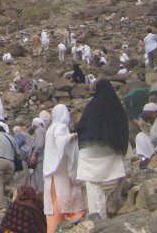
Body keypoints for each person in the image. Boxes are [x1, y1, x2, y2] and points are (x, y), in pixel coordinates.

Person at [75, 80, 128, 220]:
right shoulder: (116, 106)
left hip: (89, 152)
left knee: (92, 184)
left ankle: (96, 218)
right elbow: (123, 128)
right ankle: (108, 213)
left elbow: (80, 126)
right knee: (109, 183)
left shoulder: (92, 106)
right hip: (111, 151)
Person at [42, 105, 84, 233]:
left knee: (53, 201)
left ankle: (52, 228)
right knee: (64, 197)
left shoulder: (50, 128)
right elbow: (61, 142)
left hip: (51, 169)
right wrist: (73, 136)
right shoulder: (60, 127)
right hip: (60, 168)